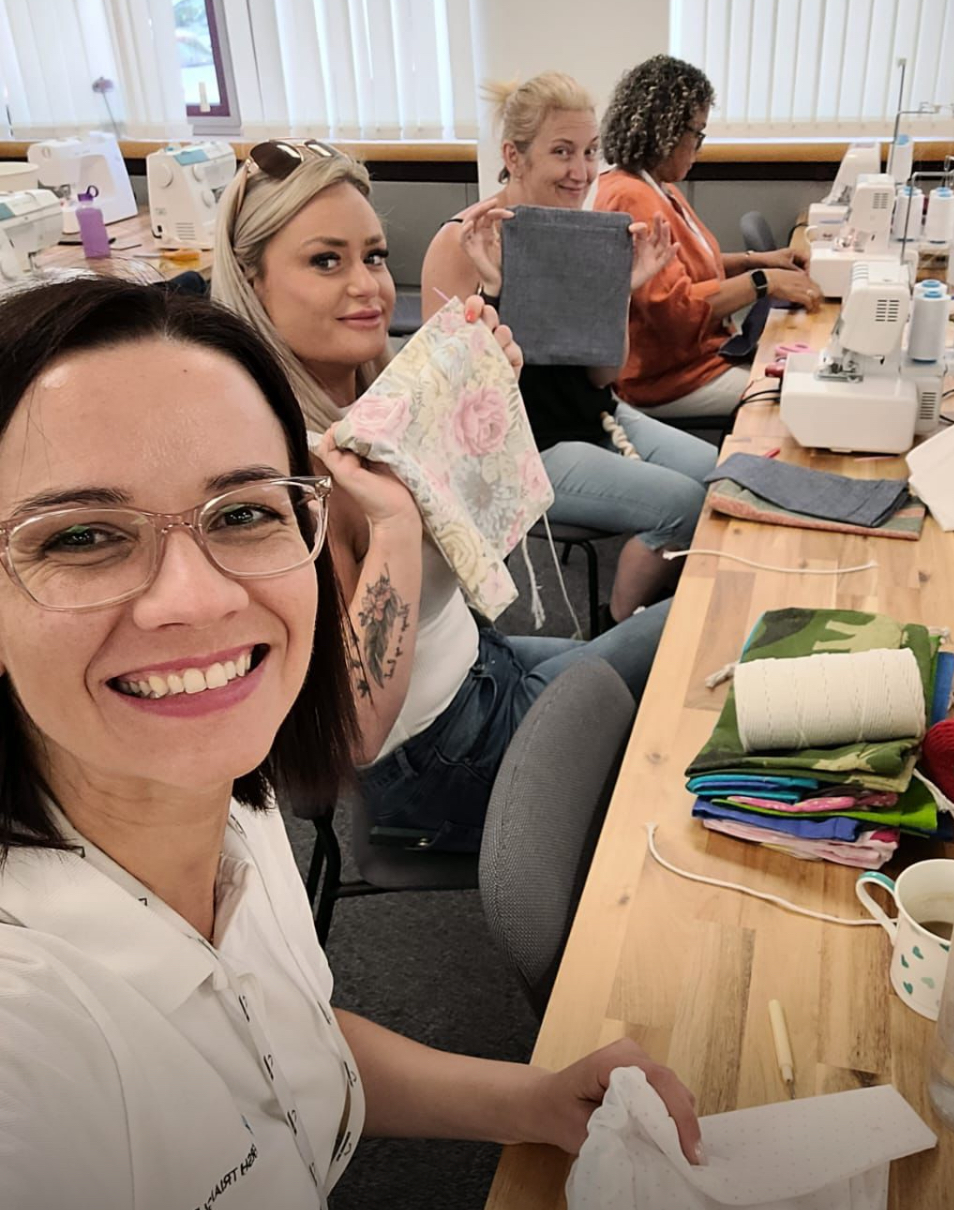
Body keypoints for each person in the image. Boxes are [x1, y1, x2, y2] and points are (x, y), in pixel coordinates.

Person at [0, 276, 701, 1208]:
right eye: (84, 536)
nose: (197, 598)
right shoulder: (29, 1057)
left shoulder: (235, 816)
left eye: (243, 513)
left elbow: (292, 1044)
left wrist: (531, 1100)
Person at [211, 142, 671, 851]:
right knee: (696, 648)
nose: (368, 285)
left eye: (372, 256)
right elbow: (354, 733)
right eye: (325, 261)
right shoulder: (286, 476)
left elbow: (469, 546)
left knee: (701, 625)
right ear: (252, 281)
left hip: (482, 667)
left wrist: (477, 404)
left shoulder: (377, 403)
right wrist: (395, 522)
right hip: (439, 756)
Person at [421, 72, 718, 624]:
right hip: (524, 445)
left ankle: (647, 618)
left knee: (714, 474)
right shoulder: (463, 240)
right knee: (683, 505)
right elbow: (452, 400)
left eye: (589, 152)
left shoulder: (574, 234)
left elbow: (603, 376)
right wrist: (493, 291)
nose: (581, 171)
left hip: (590, 415)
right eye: (562, 152)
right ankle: (619, 628)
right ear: (515, 155)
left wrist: (618, 296)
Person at [594, 54, 824, 419]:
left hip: (701, 356)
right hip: (669, 378)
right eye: (696, 134)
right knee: (795, 403)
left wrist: (755, 261)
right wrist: (761, 282)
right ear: (665, 131)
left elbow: (684, 269)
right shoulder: (631, 197)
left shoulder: (656, 187)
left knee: (800, 378)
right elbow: (674, 310)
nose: (699, 146)